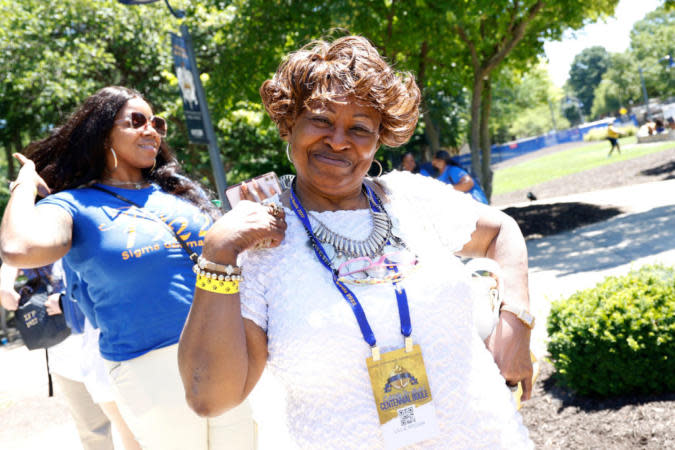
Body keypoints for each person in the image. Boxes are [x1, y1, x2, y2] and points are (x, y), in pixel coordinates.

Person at [179, 36, 534, 448]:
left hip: (485, 434)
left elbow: (502, 231)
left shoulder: (411, 198)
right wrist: (218, 253)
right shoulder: (260, 238)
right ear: (288, 124)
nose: (339, 140)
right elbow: (210, 397)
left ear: (379, 139)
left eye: (360, 128)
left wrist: (517, 323)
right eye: (321, 120)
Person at [0, 86, 255, 449]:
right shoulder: (72, 205)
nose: (151, 130)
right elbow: (18, 248)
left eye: (157, 123)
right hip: (150, 366)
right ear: (102, 132)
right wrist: (25, 186)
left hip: (222, 348)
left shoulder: (177, 193)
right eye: (136, 121)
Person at [0, 261, 139, 450]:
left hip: (108, 344)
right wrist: (4, 284)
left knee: (134, 425)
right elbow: (15, 253)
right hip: (64, 351)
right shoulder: (39, 238)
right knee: (93, 433)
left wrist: (66, 303)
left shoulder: (88, 235)